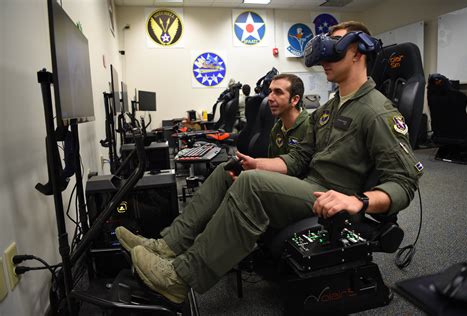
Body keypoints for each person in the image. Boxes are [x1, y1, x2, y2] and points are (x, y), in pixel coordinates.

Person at [116, 21, 423, 304]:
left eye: (337, 46)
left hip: (332, 198)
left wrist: (358, 201)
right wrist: (258, 164)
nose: (326, 55)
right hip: (308, 187)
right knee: (232, 171)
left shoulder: (377, 111)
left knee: (251, 184)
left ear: (357, 52)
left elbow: (404, 183)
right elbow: (299, 157)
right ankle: (167, 245)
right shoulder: (329, 109)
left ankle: (180, 277)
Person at [115, 73, 310, 303]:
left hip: (297, 193)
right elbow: (276, 166)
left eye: (279, 92)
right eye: (270, 91)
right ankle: (168, 245)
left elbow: (297, 168)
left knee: (247, 181)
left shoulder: (307, 125)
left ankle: (180, 275)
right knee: (224, 171)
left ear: (295, 99)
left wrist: (256, 174)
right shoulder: (278, 128)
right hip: (279, 185)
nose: (271, 97)